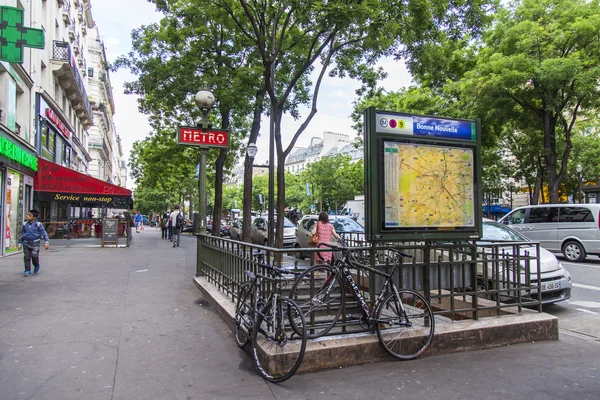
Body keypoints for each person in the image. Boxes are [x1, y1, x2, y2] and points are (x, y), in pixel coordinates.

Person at [17, 209, 50, 277]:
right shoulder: (25, 224)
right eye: (27, 214)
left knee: (34, 256)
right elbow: (22, 234)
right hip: (26, 243)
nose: (27, 216)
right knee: (26, 257)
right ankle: (27, 270)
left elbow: (44, 233)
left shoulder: (38, 224)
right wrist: (20, 243)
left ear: (34, 217)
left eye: (29, 215)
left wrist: (46, 242)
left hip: (35, 243)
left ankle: (36, 265)